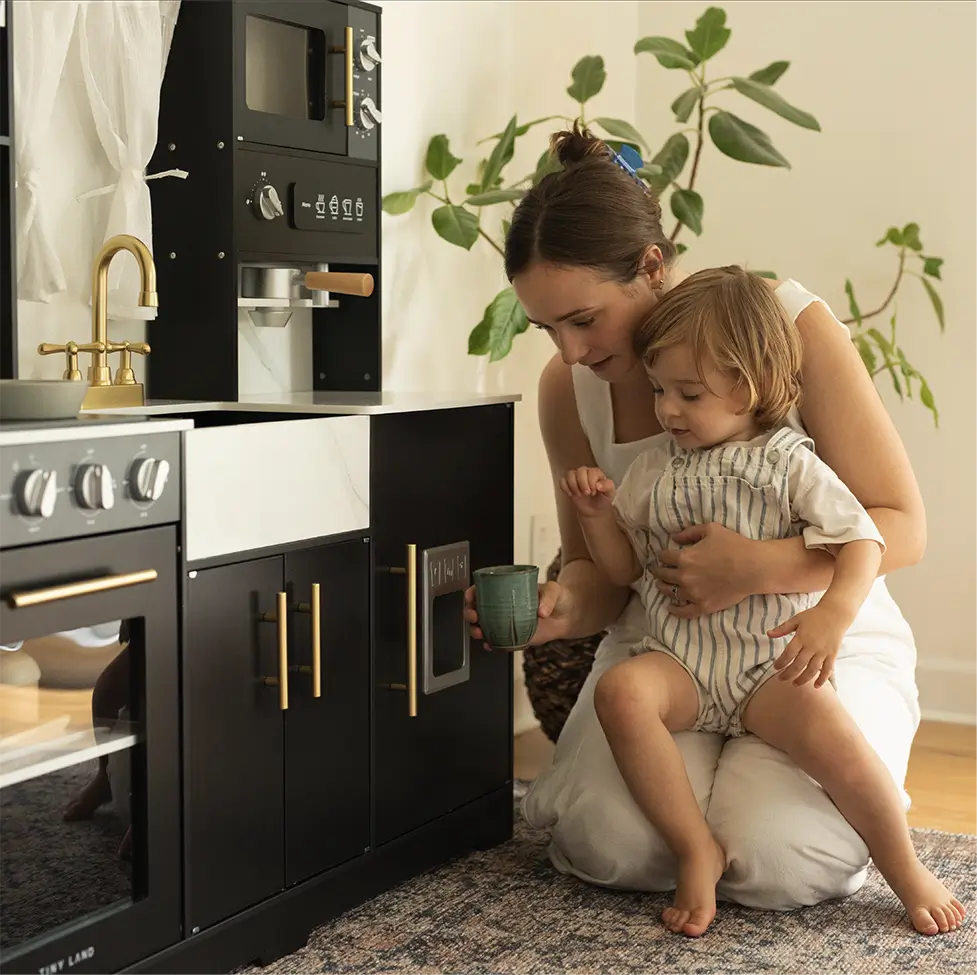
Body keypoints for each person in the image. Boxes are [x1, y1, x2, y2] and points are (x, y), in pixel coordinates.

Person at [463, 123, 934, 926]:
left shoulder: (780, 326)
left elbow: (899, 524)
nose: (570, 351)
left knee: (782, 857)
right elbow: (602, 578)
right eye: (546, 328)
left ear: (650, 267)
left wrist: (758, 567)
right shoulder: (565, 389)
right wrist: (555, 613)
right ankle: (697, 837)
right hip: (670, 651)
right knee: (614, 845)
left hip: (804, 642)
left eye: (582, 318)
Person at [558, 265, 962, 938]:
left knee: (838, 744)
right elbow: (623, 568)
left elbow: (861, 537)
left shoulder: (789, 461)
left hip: (766, 668)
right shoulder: (654, 470)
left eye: (687, 393)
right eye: (658, 390)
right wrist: (598, 515)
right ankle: (696, 846)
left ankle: (903, 865)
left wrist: (831, 615)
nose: (666, 410)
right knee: (621, 694)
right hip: (682, 662)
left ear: (746, 388)